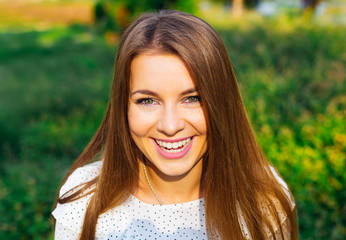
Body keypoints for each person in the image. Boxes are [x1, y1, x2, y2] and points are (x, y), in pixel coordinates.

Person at [52, 10, 298, 240]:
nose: (170, 126)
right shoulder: (86, 198)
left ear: (222, 103)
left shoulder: (263, 198)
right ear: (122, 107)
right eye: (147, 100)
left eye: (192, 99)